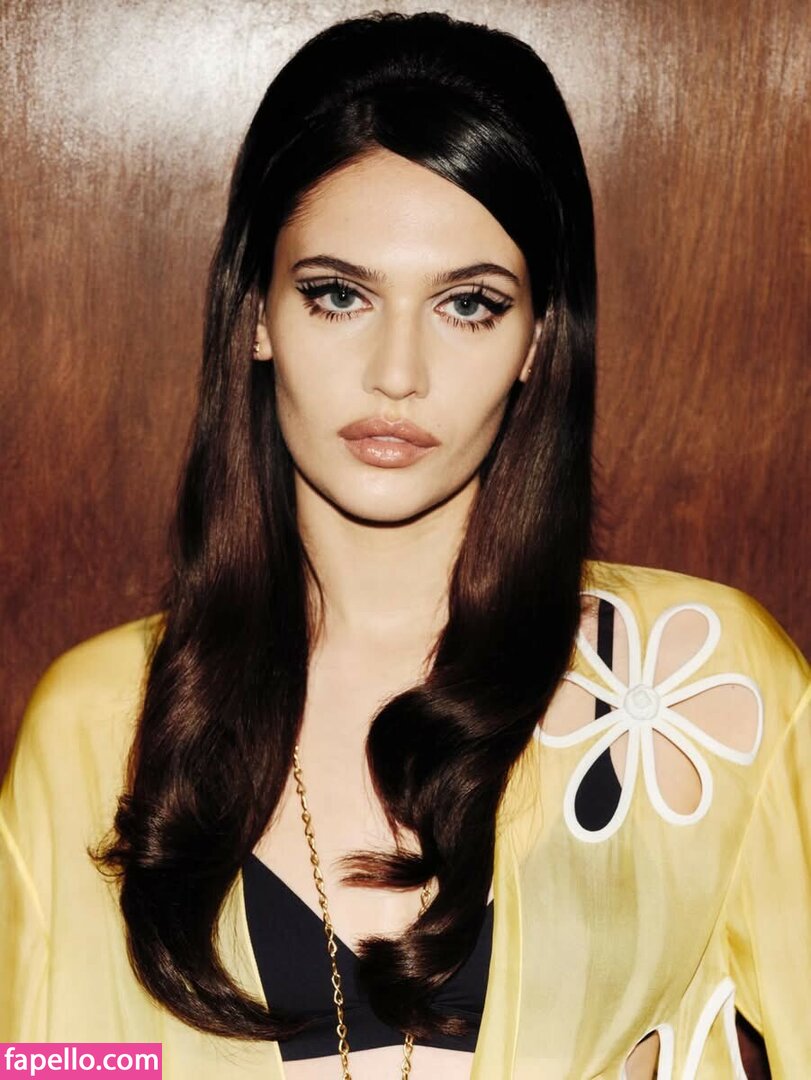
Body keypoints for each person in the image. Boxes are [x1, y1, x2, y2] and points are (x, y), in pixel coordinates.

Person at [1, 11, 808, 1079]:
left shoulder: (705, 688)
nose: (397, 373)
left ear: (537, 338)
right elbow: (53, 1061)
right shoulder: (102, 722)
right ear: (257, 313)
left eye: (468, 305)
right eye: (338, 295)